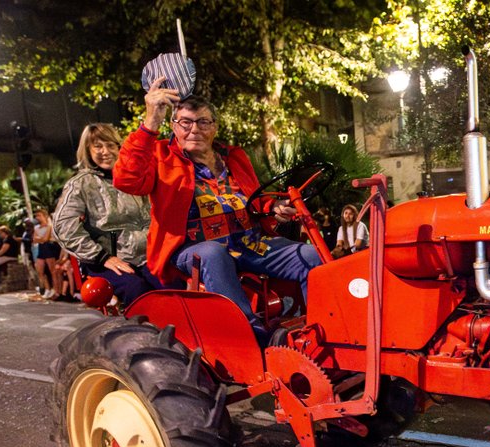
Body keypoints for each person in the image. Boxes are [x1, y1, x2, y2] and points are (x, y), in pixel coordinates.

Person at [114, 78, 317, 343]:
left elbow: (254, 199)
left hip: (249, 243)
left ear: (214, 127)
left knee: (311, 255)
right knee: (213, 252)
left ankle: (324, 330)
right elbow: (126, 180)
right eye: (185, 122)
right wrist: (151, 122)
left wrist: (272, 207)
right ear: (174, 126)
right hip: (192, 248)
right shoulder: (161, 155)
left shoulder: (234, 156)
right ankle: (252, 337)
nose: (194, 129)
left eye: (203, 122)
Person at [53, 123, 158, 306]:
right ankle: (144, 325)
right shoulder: (81, 184)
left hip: (148, 255)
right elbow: (63, 226)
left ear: (119, 148)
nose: (105, 151)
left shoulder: (137, 176)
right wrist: (102, 257)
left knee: (173, 286)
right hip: (106, 259)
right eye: (98, 146)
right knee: (137, 290)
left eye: (110, 145)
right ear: (88, 150)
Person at [32, 209, 60, 298]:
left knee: (52, 271)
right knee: (40, 271)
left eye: (39, 215)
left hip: (49, 248)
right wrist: (41, 239)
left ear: (45, 216)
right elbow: (34, 239)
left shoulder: (49, 226)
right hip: (41, 249)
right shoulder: (36, 227)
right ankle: (47, 289)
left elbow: (46, 238)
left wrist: (40, 239)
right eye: (36, 216)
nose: (37, 217)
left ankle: (56, 290)